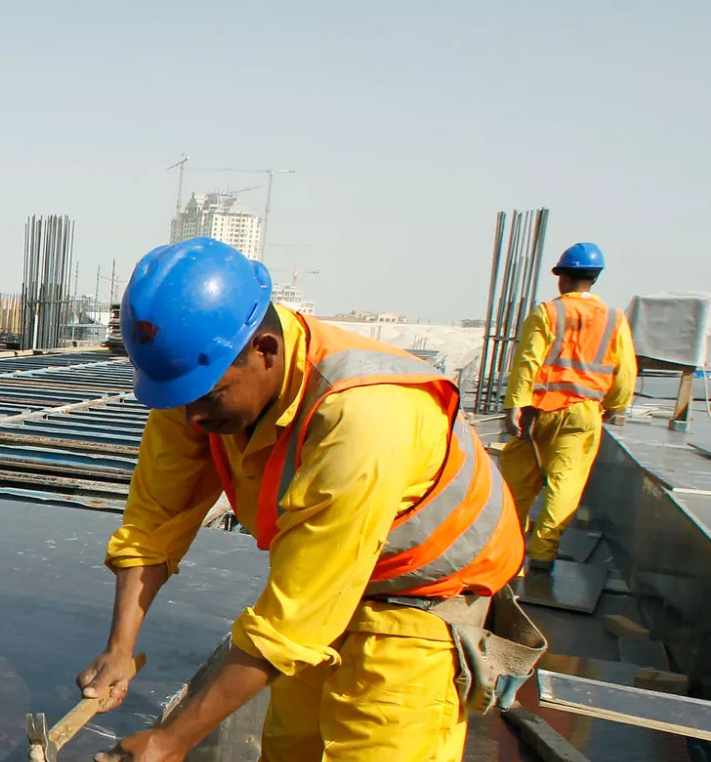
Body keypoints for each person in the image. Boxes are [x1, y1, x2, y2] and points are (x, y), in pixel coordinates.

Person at [81, 238, 525, 762]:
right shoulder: (195, 383)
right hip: (326, 588)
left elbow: (295, 617)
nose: (193, 418)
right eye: (179, 400)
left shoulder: (365, 417)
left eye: (207, 398)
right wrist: (120, 650)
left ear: (265, 351)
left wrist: (172, 739)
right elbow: (155, 520)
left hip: (419, 603)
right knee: (290, 749)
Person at [498, 242, 636, 572]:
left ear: (561, 277)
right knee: (565, 485)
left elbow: (527, 361)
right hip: (584, 413)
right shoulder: (615, 319)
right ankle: (544, 555)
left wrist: (514, 405)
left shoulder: (547, 312)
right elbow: (626, 371)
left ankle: (507, 553)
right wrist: (616, 404)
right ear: (595, 278)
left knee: (518, 482)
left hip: (538, 411)